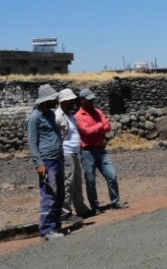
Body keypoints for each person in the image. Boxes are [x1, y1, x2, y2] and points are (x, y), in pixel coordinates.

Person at [75, 88, 128, 211]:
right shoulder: (78, 116)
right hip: (87, 152)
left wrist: (97, 128)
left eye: (92, 99)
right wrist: (99, 126)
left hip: (101, 150)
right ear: (81, 101)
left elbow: (108, 127)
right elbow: (87, 132)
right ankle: (94, 206)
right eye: (88, 100)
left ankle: (115, 201)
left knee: (111, 175)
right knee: (90, 180)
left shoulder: (98, 112)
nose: (91, 102)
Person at [26, 84, 66, 240]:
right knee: (49, 195)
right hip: (46, 161)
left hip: (57, 158)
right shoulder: (34, 118)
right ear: (44, 100)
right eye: (52, 99)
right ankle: (46, 230)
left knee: (60, 194)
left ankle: (55, 225)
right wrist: (39, 163)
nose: (55, 101)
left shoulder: (50, 114)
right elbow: (32, 142)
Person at [54, 88, 92, 221]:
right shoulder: (58, 116)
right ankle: (65, 213)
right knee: (68, 183)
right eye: (70, 101)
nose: (73, 103)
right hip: (66, 153)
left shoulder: (69, 115)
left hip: (74, 153)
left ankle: (81, 209)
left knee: (77, 182)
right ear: (63, 102)